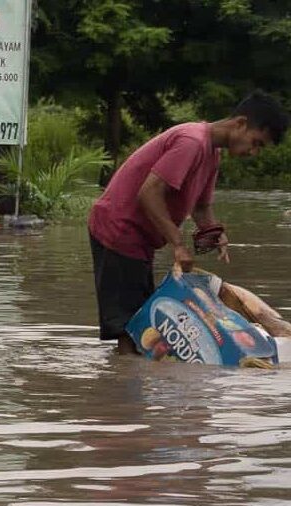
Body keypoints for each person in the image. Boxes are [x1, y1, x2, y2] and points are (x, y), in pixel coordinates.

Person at [88, 90, 288, 353]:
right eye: (256, 142)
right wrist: (179, 245)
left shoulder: (211, 154)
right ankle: (121, 387)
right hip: (119, 229)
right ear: (240, 123)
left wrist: (213, 231)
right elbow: (149, 193)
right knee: (131, 330)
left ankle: (128, 384)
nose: (254, 152)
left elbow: (202, 206)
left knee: (142, 325)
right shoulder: (192, 141)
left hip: (138, 238)